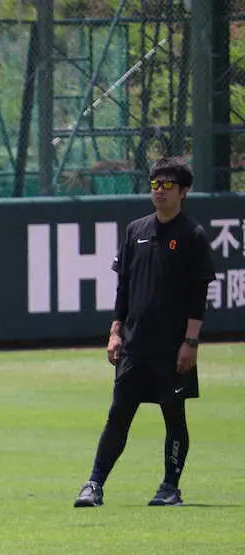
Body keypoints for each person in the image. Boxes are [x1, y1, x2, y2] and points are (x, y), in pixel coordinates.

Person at [74, 156, 215, 508]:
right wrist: (115, 331)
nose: (160, 192)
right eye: (155, 185)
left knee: (174, 414)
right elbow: (124, 287)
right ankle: (94, 484)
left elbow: (199, 296)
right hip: (135, 344)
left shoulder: (192, 235)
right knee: (119, 413)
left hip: (172, 347)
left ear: (184, 191)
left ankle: (170, 487)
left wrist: (190, 342)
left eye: (168, 185)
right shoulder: (136, 230)